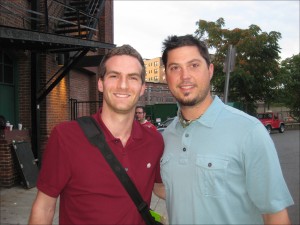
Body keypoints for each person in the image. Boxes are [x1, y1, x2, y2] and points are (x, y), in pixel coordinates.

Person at [159, 35, 294, 225]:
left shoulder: (249, 131)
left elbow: (275, 216)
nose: (185, 75)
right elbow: (174, 190)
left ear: (210, 70)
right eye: (175, 68)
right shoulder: (167, 136)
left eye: (194, 65)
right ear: (166, 76)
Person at [28, 45, 164, 225]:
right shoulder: (66, 136)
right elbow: (44, 207)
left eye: (132, 77)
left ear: (142, 88)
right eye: (114, 76)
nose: (123, 85)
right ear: (100, 83)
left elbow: (160, 187)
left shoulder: (154, 140)